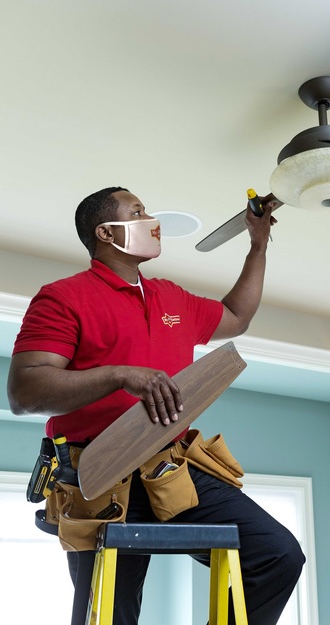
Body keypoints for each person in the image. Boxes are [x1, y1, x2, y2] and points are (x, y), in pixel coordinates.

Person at [7, 187, 305, 625]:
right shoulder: (64, 297)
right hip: (98, 477)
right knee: (109, 614)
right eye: (138, 211)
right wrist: (119, 374)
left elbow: (237, 316)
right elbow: (25, 392)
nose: (152, 220)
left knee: (277, 554)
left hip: (171, 469)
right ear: (106, 232)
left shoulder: (171, 298)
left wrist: (257, 244)